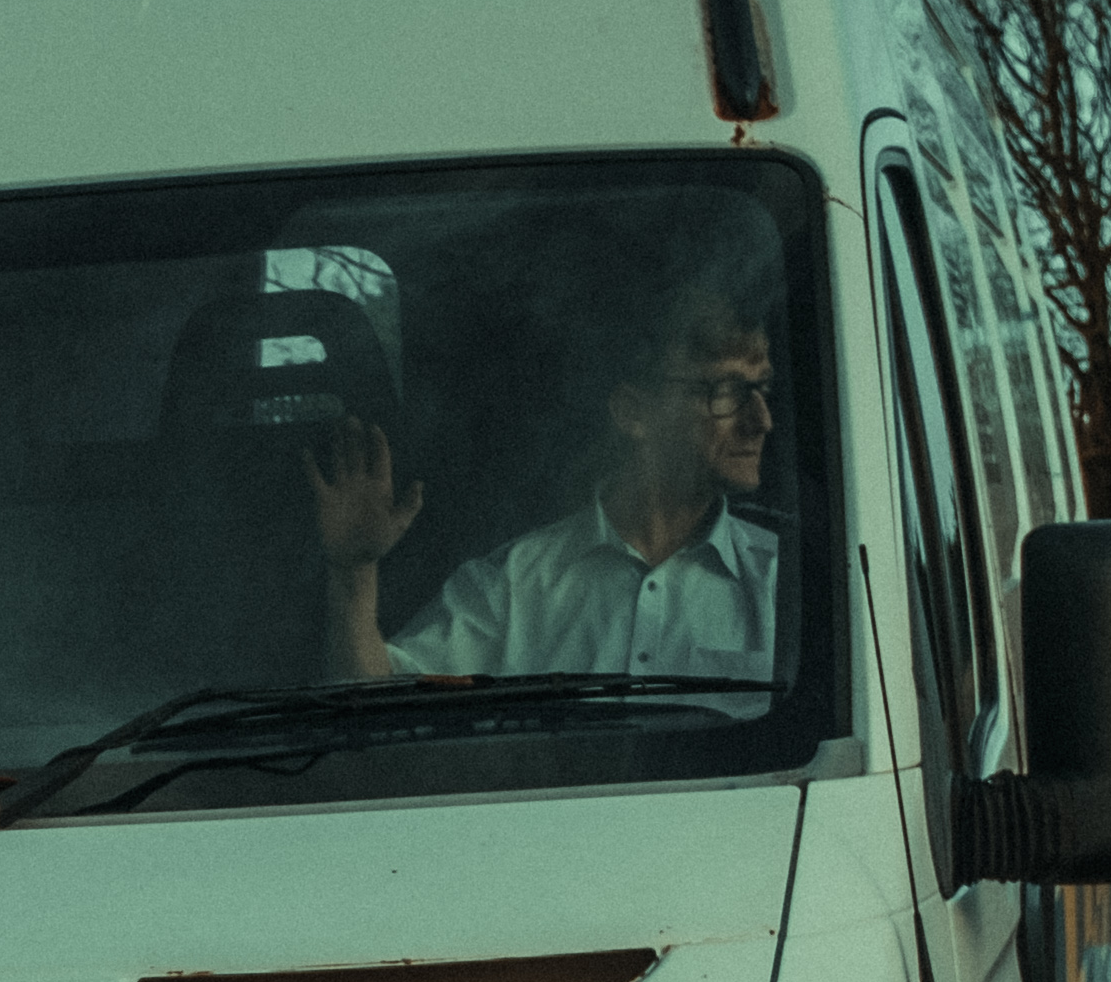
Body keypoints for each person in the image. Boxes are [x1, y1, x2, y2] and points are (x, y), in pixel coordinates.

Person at [302, 230, 791, 694]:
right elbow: (379, 712)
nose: (762, 420)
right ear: (634, 412)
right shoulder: (516, 583)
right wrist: (353, 571)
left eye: (762, 388)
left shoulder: (786, 584)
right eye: (727, 391)